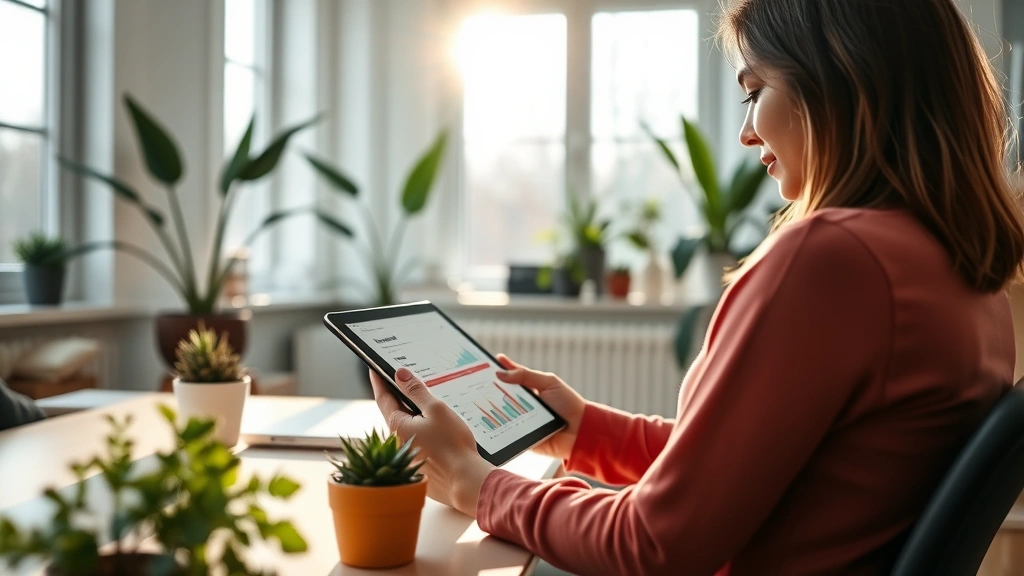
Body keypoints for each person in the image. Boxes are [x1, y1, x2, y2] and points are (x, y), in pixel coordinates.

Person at [369, 0, 1024, 573]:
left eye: (753, 90)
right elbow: (753, 471)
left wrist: (476, 485)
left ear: (839, 78)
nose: (744, 132)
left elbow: (656, 546)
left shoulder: (833, 259)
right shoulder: (964, 278)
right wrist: (585, 431)